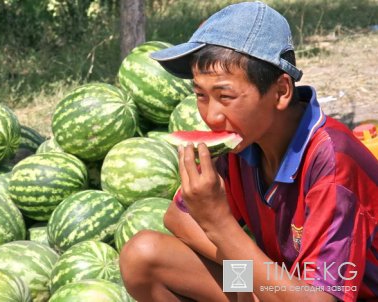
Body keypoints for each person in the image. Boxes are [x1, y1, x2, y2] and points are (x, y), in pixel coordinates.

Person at [119, 1, 378, 302]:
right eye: (201, 95)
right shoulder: (242, 142)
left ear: (281, 91)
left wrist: (220, 224)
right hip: (278, 287)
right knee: (143, 256)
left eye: (224, 96)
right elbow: (178, 219)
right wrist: (251, 283)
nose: (211, 116)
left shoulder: (332, 161)